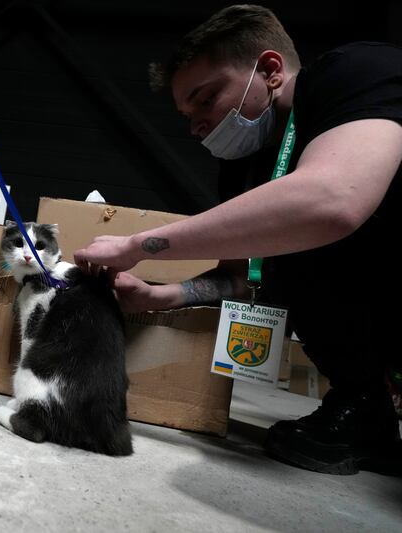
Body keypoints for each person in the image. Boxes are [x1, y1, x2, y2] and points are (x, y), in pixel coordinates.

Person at [74, 4, 402, 476]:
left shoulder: (356, 74)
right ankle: (364, 406)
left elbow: (334, 200)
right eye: (187, 114)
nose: (196, 127)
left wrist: (136, 246)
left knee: (298, 226)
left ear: (269, 70)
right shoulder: (246, 167)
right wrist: (158, 295)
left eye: (205, 99)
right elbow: (243, 280)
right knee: (286, 255)